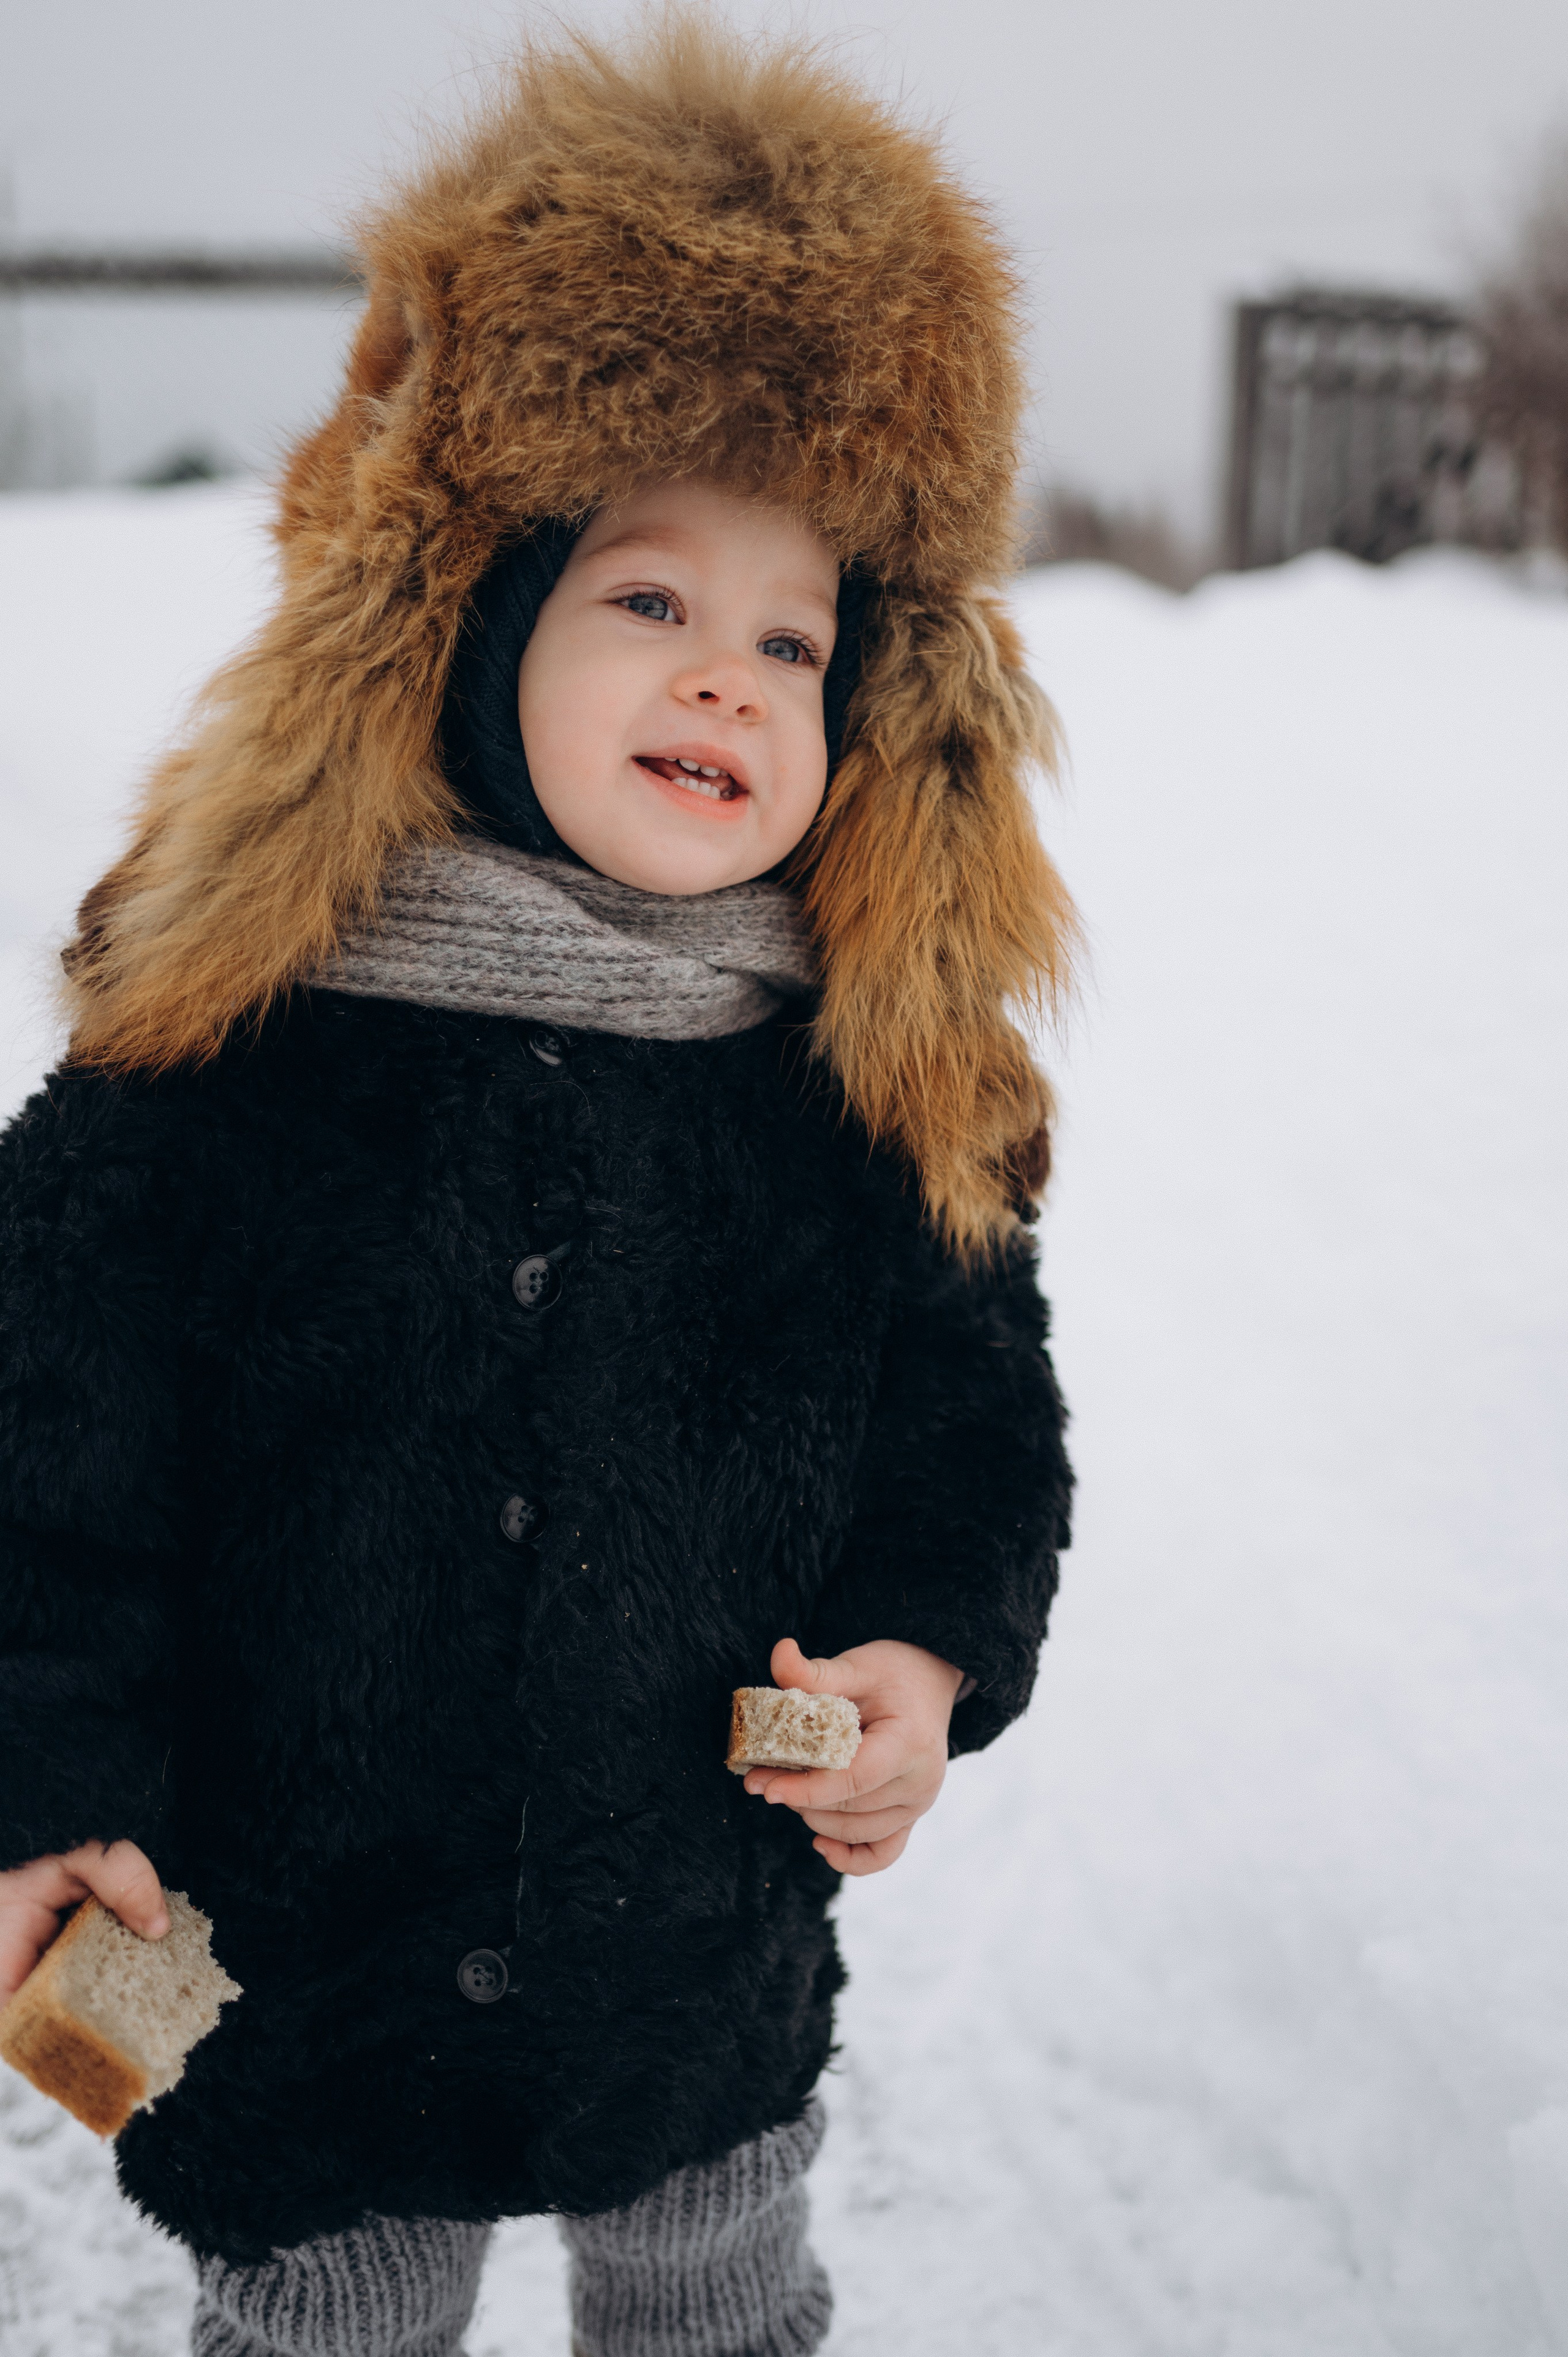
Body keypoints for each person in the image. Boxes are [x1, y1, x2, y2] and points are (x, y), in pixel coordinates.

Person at [0, 20, 1075, 2356]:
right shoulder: (229, 1050)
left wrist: (923, 1656)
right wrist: (47, 1780)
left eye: (798, 639)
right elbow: (47, 1461)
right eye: (652, 602)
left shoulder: (854, 1091)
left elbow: (970, 1434)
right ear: (474, 627)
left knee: (715, 2301)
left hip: (684, 1960)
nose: (733, 678)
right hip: (299, 1964)